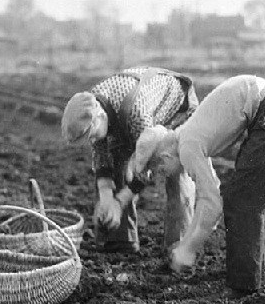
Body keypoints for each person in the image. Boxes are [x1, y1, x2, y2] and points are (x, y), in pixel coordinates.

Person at [128, 75, 265, 294]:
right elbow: (211, 194)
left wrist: (187, 248)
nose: (164, 175)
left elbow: (212, 203)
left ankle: (243, 285)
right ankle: (254, 271)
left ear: (164, 156)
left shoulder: (187, 146)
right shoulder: (189, 136)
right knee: (245, 197)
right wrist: (188, 240)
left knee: (240, 200)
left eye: (160, 170)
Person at [61, 66, 198, 253]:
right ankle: (120, 241)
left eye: (92, 136)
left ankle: (180, 250)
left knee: (177, 174)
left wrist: (120, 202)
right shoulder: (92, 107)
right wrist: (106, 197)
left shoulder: (135, 111)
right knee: (117, 159)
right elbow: (101, 154)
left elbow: (146, 166)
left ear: (100, 117)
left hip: (177, 110)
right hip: (138, 115)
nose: (92, 141)